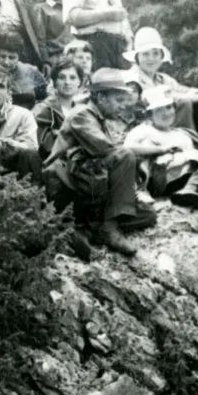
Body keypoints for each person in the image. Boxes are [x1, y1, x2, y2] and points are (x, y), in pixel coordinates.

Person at [43, 68, 154, 256]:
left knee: (148, 216)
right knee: (125, 156)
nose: (122, 106)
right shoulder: (82, 114)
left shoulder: (97, 117)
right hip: (63, 186)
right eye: (118, 100)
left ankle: (90, 228)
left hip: (84, 182)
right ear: (101, 98)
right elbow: (106, 149)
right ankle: (106, 228)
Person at [125, 26, 198, 144]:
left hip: (166, 123)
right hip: (145, 127)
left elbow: (185, 90)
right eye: (145, 54)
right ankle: (191, 142)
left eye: (155, 53)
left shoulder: (162, 78)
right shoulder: (132, 78)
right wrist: (183, 96)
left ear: (161, 56)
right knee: (185, 103)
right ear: (137, 57)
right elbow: (153, 98)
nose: (151, 59)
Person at [124, 87, 198, 198]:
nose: (166, 113)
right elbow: (126, 148)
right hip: (162, 178)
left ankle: (195, 188)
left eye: (168, 107)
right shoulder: (143, 130)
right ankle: (195, 186)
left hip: (188, 174)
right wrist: (161, 149)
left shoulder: (182, 134)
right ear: (150, 115)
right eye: (159, 110)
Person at [34, 59, 84, 159]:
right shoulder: (43, 109)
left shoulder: (81, 110)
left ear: (80, 82)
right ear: (54, 82)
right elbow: (40, 145)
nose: (67, 82)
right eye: (62, 78)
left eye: (73, 78)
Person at [0, 33, 48, 110]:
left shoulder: (31, 71)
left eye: (12, 58)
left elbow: (45, 97)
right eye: (2, 56)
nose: (6, 62)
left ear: (19, 57)